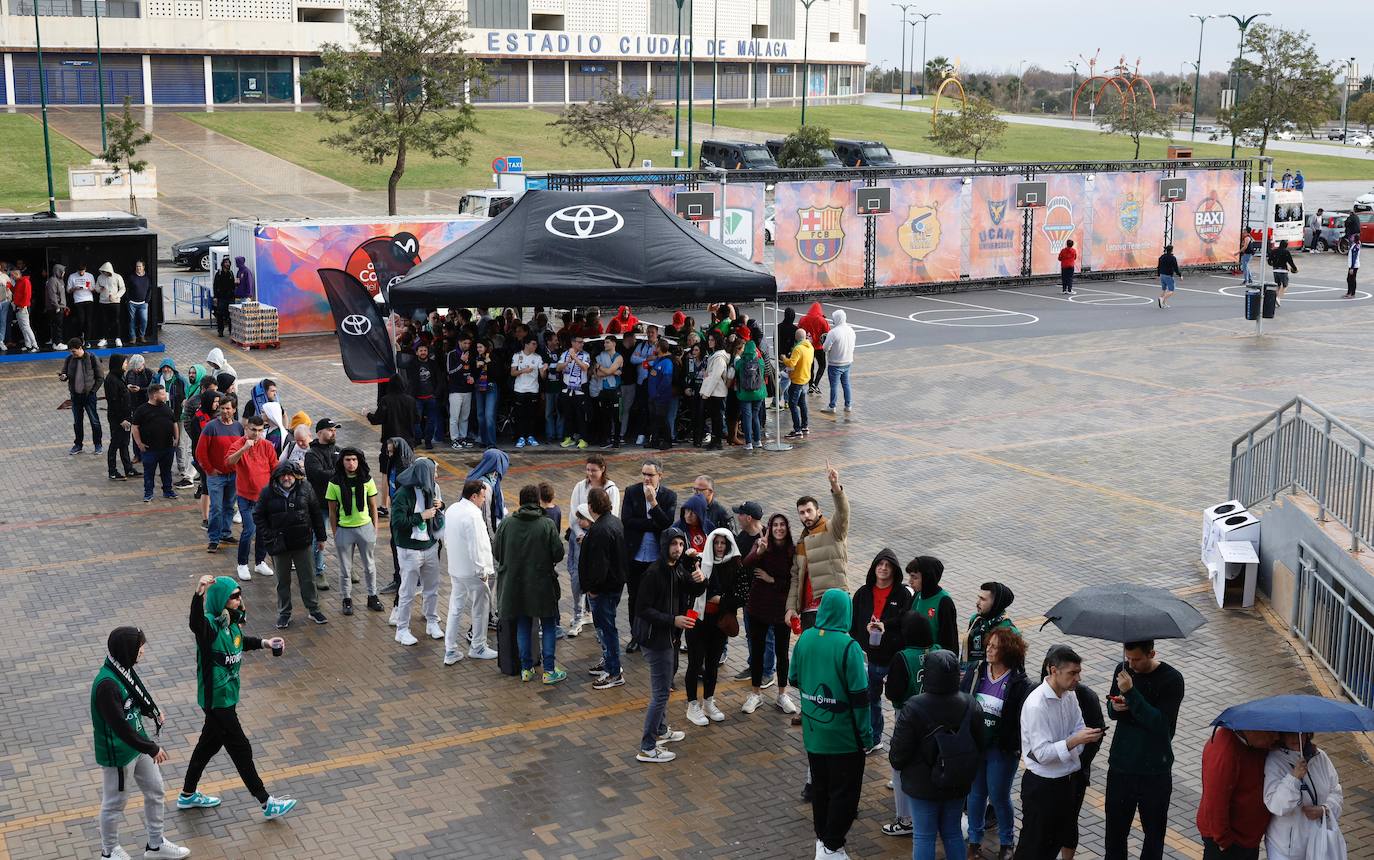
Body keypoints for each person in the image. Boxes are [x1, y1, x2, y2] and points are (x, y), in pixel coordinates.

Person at [178, 575, 296, 821]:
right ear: (221, 599)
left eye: (239, 594)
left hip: (228, 699)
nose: (239, 599)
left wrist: (265, 643)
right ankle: (266, 802)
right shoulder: (209, 626)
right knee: (241, 748)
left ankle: (187, 794)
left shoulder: (230, 622)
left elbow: (239, 643)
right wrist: (199, 593)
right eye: (233, 596)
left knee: (207, 746)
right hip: (217, 703)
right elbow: (195, 623)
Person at [91, 627, 191, 860]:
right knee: (115, 803)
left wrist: (152, 712)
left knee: (156, 790)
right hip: (119, 753)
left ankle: (155, 845)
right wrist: (151, 747)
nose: (143, 652)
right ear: (127, 650)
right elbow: (120, 727)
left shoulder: (123, 669)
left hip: (138, 744)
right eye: (140, 647)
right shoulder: (107, 684)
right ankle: (109, 851)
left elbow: (136, 696)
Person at [790, 589, 872, 859]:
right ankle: (832, 846)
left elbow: (793, 678)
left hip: (814, 735)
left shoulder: (806, 638)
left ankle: (822, 841)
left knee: (821, 789)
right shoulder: (850, 647)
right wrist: (866, 736)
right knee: (845, 794)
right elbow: (860, 699)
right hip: (844, 738)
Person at [890, 649, 986, 860]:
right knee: (952, 832)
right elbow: (981, 743)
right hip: (957, 780)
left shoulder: (913, 707)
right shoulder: (970, 703)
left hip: (921, 784)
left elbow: (897, 755)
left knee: (924, 836)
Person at [1014, 646, 1103, 860]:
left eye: (1079, 672)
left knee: (1054, 844)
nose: (1078, 678)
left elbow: (1079, 727)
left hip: (1066, 783)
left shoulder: (1070, 696)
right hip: (1042, 787)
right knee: (1034, 847)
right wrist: (1073, 742)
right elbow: (1042, 754)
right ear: (1053, 670)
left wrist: (1075, 742)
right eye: (1072, 673)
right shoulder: (1037, 705)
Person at [1104, 640, 1186, 860]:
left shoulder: (1172, 679)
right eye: (1128, 658)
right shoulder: (1122, 671)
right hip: (1121, 767)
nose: (1131, 664)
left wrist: (1131, 693)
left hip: (1155, 773)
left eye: (1137, 659)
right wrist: (1115, 706)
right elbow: (1113, 710)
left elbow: (1162, 726)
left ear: (1151, 653)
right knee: (1114, 835)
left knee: (1154, 836)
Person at [962, 627, 1032, 860]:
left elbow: (1021, 719)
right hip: (976, 745)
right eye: (988, 645)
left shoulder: (1019, 682)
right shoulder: (977, 671)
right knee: (975, 794)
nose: (988, 650)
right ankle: (974, 841)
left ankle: (1006, 843)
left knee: (999, 795)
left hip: (1001, 750)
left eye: (994, 646)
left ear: (1008, 651)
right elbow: (963, 699)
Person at [632, 527, 697, 763]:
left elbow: (692, 589)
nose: (678, 549)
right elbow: (642, 609)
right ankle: (647, 747)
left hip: (668, 637)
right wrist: (673, 620)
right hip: (656, 640)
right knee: (660, 694)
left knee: (662, 689)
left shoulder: (676, 568)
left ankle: (660, 731)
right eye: (674, 544)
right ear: (664, 546)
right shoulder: (654, 573)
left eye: (681, 544)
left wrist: (699, 576)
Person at [495, 485, 568, 684]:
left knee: (523, 625)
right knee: (549, 625)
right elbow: (558, 554)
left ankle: (526, 669)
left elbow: (497, 553)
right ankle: (549, 671)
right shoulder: (546, 524)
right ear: (538, 501)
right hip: (542, 585)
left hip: (515, 586)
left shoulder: (507, 524)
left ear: (519, 501)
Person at [881, 610, 941, 838]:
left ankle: (905, 819)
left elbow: (893, 692)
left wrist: (889, 683)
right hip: (936, 719)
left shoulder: (903, 657)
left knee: (901, 765)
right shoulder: (937, 651)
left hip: (907, 718)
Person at [683, 528, 750, 726]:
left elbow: (742, 596)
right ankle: (692, 705)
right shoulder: (700, 561)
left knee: (712, 664)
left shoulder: (735, 566)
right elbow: (691, 587)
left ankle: (709, 702)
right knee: (695, 663)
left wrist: (720, 600)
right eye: (716, 543)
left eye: (723, 543)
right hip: (696, 618)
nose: (720, 547)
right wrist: (689, 560)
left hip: (719, 622)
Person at [850, 548, 913, 755]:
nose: (883, 568)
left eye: (888, 566)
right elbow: (852, 623)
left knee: (899, 703)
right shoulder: (863, 593)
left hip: (892, 659)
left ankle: (901, 747)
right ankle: (874, 738)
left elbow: (906, 620)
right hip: (868, 658)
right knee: (870, 699)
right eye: (880, 564)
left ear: (894, 570)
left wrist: (885, 624)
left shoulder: (903, 594)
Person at [255, 461, 328, 630]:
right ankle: (284, 613)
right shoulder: (267, 492)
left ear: (296, 476)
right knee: (282, 581)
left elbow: (316, 513)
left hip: (302, 543)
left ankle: (314, 609)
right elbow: (258, 516)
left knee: (308, 578)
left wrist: (322, 537)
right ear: (277, 477)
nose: (287, 478)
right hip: (279, 545)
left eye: (290, 475)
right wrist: (269, 535)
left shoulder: (306, 488)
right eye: (283, 475)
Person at [785, 465, 851, 634]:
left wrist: (835, 486)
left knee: (833, 652)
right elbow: (795, 577)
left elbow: (843, 512)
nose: (806, 516)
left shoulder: (833, 529)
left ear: (818, 511)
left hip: (832, 605)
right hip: (808, 610)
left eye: (809, 511)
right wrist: (791, 608)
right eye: (801, 513)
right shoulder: (801, 541)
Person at [621, 457, 678, 653]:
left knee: (657, 598)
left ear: (660, 476)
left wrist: (653, 503)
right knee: (634, 597)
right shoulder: (631, 491)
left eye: (650, 475)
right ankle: (636, 635)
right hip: (635, 555)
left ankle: (656, 633)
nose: (646, 478)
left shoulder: (669, 496)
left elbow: (666, 524)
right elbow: (627, 521)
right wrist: (652, 524)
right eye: (644, 474)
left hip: (656, 558)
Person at [441, 479, 499, 665]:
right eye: (483, 497)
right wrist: (483, 569)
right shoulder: (473, 515)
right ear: (474, 496)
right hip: (473, 571)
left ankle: (450, 650)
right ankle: (478, 646)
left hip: (456, 568)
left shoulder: (452, 509)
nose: (484, 500)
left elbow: (446, 538)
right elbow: (478, 545)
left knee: (455, 608)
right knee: (480, 607)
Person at [389, 457, 445, 647]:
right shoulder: (403, 494)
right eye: (433, 472)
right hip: (409, 550)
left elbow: (436, 513)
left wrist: (440, 507)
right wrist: (421, 516)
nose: (436, 476)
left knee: (432, 588)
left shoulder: (431, 488)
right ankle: (402, 630)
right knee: (407, 591)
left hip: (429, 546)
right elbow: (397, 523)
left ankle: (431, 621)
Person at [1197, 726, 1276, 860]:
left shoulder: (1255, 744)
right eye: (1270, 733)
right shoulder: (1224, 752)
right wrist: (1223, 840)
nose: (1275, 738)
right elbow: (1215, 802)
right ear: (1251, 730)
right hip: (1229, 843)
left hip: (1247, 838)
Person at [1262, 732, 1344, 860]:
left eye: (1300, 734)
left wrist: (1325, 809)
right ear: (1281, 735)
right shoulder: (1274, 760)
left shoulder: (1320, 757)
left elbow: (1336, 791)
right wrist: (1294, 778)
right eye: (1290, 734)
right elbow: (1276, 805)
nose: (1295, 738)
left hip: (1319, 844)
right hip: (1286, 850)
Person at [568, 454, 621, 636]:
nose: (590, 473)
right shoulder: (579, 487)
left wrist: (591, 533)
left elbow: (611, 517)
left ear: (603, 469)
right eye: (588, 469)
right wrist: (581, 534)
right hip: (580, 541)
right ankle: (577, 615)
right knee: (577, 578)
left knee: (597, 577)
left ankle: (591, 612)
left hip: (599, 541)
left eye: (594, 470)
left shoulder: (611, 489)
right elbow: (573, 516)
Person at [325, 447, 381, 616]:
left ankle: (372, 596)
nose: (351, 463)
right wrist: (335, 533)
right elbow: (332, 512)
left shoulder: (367, 480)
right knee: (345, 569)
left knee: (370, 566)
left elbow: (373, 506)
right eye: (348, 460)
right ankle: (346, 599)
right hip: (344, 530)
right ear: (342, 462)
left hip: (365, 528)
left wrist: (375, 528)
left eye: (354, 460)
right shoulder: (334, 483)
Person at [580, 488, 626, 688]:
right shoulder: (614, 522)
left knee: (606, 629)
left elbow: (599, 565)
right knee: (607, 628)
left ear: (591, 507)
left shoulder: (600, 530)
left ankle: (614, 672)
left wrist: (593, 588)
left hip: (604, 589)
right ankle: (609, 661)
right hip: (614, 585)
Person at [225, 415, 277, 582]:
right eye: (253, 430)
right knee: (249, 530)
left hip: (264, 497)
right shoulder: (238, 444)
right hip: (245, 496)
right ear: (246, 429)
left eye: (260, 430)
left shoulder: (267, 445)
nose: (256, 434)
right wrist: (244, 449)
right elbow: (228, 462)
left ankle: (260, 561)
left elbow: (274, 468)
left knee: (263, 530)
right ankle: (242, 564)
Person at [195, 396, 242, 553]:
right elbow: (200, 452)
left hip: (233, 475)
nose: (225, 411)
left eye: (228, 408)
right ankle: (213, 538)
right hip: (216, 476)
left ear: (234, 410)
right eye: (222, 408)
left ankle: (225, 533)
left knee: (229, 506)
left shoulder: (239, 428)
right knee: (216, 507)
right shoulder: (211, 427)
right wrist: (210, 469)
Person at [304, 418, 341, 590]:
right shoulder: (312, 454)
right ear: (319, 433)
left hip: (340, 503)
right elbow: (316, 475)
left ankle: (346, 567)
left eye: (335, 429)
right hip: (319, 503)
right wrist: (338, 473)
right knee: (319, 538)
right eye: (330, 429)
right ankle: (318, 571)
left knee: (345, 537)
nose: (333, 432)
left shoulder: (339, 451)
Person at [131, 383, 180, 502]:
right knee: (149, 472)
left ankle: (168, 490)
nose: (165, 396)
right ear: (154, 395)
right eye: (162, 394)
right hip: (149, 449)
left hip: (167, 447)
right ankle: (148, 493)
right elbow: (135, 427)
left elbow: (174, 423)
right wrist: (139, 444)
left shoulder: (166, 408)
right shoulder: (142, 410)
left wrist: (176, 438)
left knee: (166, 471)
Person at [907, 555, 959, 657]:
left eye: (915, 577)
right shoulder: (918, 595)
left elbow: (949, 643)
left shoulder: (944, 602)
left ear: (927, 578)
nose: (910, 581)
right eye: (910, 576)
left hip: (934, 662)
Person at [60, 338, 105, 454]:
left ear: (80, 348)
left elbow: (100, 377)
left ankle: (98, 444)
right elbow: (64, 373)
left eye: (74, 351)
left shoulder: (92, 358)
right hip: (75, 396)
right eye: (71, 351)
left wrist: (93, 391)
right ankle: (78, 445)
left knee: (94, 421)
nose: (72, 353)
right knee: (77, 422)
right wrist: (63, 377)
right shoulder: (69, 359)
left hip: (89, 396)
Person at [964, 582, 1016, 672]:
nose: (977, 603)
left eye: (983, 599)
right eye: (978, 597)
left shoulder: (1008, 631)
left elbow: (1014, 667)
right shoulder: (976, 620)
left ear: (995, 603)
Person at [557, 334, 592, 449]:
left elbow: (585, 368)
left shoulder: (585, 355)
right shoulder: (564, 354)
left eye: (582, 342)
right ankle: (569, 438)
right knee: (568, 415)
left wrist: (575, 357)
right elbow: (558, 368)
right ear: (572, 343)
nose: (582, 344)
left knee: (581, 416)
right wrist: (568, 360)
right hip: (567, 390)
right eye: (579, 342)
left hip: (580, 391)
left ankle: (583, 439)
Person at [102, 353, 134, 478]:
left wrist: (127, 388)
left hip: (126, 417)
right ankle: (112, 470)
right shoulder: (111, 380)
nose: (127, 364)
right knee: (115, 443)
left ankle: (128, 468)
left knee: (125, 443)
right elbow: (113, 401)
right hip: (118, 419)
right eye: (125, 362)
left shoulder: (120, 376)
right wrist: (121, 420)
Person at [733, 339, 768, 450]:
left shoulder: (740, 362)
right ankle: (757, 441)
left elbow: (736, 373)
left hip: (744, 393)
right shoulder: (760, 361)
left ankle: (748, 443)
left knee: (747, 418)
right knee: (755, 416)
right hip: (758, 393)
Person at [510, 336, 544, 448]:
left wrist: (544, 370)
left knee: (532, 415)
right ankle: (520, 437)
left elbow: (543, 376)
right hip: (519, 389)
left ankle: (530, 436)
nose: (535, 346)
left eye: (536, 344)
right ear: (526, 344)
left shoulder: (538, 357)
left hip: (533, 389)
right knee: (520, 415)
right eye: (533, 343)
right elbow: (512, 373)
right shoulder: (517, 355)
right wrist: (524, 370)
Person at [780, 328, 813, 438]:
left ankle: (797, 429)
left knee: (792, 404)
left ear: (796, 337)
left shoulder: (798, 349)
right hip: (805, 378)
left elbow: (792, 363)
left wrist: (784, 359)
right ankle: (804, 426)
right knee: (802, 403)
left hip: (797, 379)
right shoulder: (810, 347)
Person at [698, 331, 729, 449]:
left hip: (718, 392)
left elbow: (715, 376)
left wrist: (706, 392)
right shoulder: (715, 356)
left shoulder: (719, 358)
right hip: (715, 392)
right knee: (715, 418)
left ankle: (717, 441)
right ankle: (715, 440)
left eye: (712, 340)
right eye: (709, 339)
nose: (709, 342)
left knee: (717, 418)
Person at [822, 309, 856, 414]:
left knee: (834, 386)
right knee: (846, 384)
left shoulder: (833, 332)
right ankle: (848, 405)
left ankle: (832, 405)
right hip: (847, 361)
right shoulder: (851, 330)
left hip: (835, 363)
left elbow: (825, 348)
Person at [593, 332, 624, 447]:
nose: (605, 344)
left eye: (607, 342)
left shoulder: (619, 357)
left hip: (615, 390)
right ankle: (606, 439)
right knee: (604, 417)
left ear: (614, 344)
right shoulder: (601, 355)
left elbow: (607, 371)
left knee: (616, 417)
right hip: (603, 390)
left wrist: (601, 367)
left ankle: (616, 440)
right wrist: (611, 372)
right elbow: (597, 375)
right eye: (604, 342)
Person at [446, 332, 476, 448]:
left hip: (467, 389)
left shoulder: (471, 354)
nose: (467, 345)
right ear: (459, 342)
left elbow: (473, 370)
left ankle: (463, 437)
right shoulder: (452, 354)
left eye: (469, 343)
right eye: (465, 343)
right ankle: (454, 439)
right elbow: (450, 372)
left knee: (465, 417)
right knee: (454, 417)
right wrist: (462, 362)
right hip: (455, 390)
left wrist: (473, 377)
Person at [798, 303, 830, 395]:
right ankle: (815, 384)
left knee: (810, 367)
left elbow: (799, 331)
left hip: (807, 347)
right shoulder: (822, 320)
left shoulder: (803, 319)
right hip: (819, 347)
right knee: (822, 365)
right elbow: (827, 333)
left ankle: (810, 385)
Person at [8, 265, 39, 352]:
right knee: (23, 327)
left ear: (17, 274)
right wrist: (10, 287)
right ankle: (28, 344)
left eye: (13, 275)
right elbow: (17, 293)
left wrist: (22, 306)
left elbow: (27, 295)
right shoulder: (19, 282)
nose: (12, 277)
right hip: (19, 307)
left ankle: (35, 345)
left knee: (26, 327)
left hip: (23, 307)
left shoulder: (25, 281)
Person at [95, 261, 126, 348]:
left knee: (116, 321)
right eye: (103, 271)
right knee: (104, 321)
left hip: (115, 302)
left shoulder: (117, 277)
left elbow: (123, 288)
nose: (105, 273)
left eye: (106, 271)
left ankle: (117, 338)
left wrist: (116, 296)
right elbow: (96, 288)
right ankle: (104, 339)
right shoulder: (100, 277)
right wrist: (100, 289)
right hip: (103, 302)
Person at [67, 262, 97, 346]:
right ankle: (81, 337)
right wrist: (74, 288)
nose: (81, 273)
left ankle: (87, 340)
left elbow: (94, 289)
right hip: (78, 300)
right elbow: (68, 290)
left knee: (88, 321)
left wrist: (90, 288)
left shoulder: (90, 276)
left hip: (89, 299)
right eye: (80, 271)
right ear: (77, 270)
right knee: (81, 320)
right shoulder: (72, 276)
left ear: (85, 269)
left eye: (83, 271)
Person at [126, 261, 152, 345]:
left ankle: (142, 336)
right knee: (132, 321)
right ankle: (133, 337)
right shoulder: (132, 277)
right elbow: (127, 289)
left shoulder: (147, 277)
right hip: (132, 303)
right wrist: (128, 299)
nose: (138, 268)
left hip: (143, 304)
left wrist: (147, 300)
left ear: (143, 267)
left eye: (140, 266)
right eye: (137, 266)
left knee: (144, 320)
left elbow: (150, 290)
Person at [45, 263, 68, 350]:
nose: (64, 273)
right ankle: (58, 343)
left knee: (58, 325)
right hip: (55, 308)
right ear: (58, 271)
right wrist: (57, 306)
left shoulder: (60, 280)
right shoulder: (53, 280)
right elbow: (52, 295)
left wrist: (64, 306)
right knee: (57, 326)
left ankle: (56, 342)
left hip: (60, 307)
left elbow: (61, 295)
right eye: (63, 271)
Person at [1269, 240, 1298, 305]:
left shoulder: (1274, 251)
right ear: (1286, 245)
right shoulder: (1286, 252)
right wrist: (1295, 268)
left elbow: (1269, 261)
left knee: (1278, 285)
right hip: (1283, 270)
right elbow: (1290, 262)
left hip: (1275, 270)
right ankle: (1278, 298)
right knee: (1285, 285)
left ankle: (1275, 298)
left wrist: (1273, 265)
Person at [212, 258, 235, 338]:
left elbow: (232, 286)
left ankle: (230, 331)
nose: (227, 264)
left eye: (228, 262)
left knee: (230, 315)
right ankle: (220, 331)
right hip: (221, 298)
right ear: (223, 264)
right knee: (220, 315)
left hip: (230, 298)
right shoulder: (218, 273)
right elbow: (215, 285)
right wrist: (215, 297)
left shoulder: (231, 273)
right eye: (226, 262)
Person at [1156, 244, 1182, 310]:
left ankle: (1163, 304)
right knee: (1171, 290)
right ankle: (1162, 299)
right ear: (1172, 250)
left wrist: (1158, 275)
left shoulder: (1161, 257)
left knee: (1164, 289)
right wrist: (1180, 275)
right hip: (1168, 275)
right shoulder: (1172, 258)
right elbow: (1176, 268)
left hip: (1162, 275)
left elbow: (1159, 267)